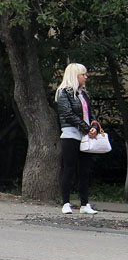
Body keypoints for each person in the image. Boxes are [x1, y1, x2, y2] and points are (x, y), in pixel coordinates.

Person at [55, 63, 99, 215]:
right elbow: (67, 114)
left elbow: (92, 114)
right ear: (75, 76)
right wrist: (87, 129)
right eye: (83, 74)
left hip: (85, 135)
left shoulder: (83, 94)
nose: (86, 77)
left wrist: (95, 127)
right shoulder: (63, 93)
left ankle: (84, 203)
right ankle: (66, 202)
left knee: (84, 170)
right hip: (71, 134)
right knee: (69, 169)